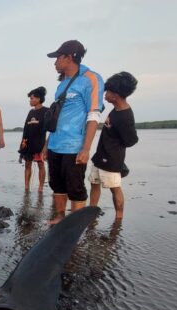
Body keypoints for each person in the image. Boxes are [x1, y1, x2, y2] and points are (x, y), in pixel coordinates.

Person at [45, 40, 104, 224]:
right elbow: (56, 117)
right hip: (55, 143)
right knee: (57, 184)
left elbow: (93, 115)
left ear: (69, 57)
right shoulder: (62, 84)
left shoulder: (91, 79)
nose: (55, 62)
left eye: (57, 58)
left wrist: (86, 149)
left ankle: (74, 225)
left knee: (75, 187)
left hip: (74, 146)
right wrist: (46, 144)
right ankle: (61, 217)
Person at [89, 72, 139, 220]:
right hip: (100, 156)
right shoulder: (115, 109)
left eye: (108, 92)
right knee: (94, 183)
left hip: (111, 160)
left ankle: (119, 218)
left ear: (115, 95)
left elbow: (131, 140)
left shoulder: (125, 116)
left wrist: (114, 148)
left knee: (115, 188)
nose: (105, 94)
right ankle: (91, 212)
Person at [19, 87, 49, 192]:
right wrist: (23, 143)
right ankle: (26, 187)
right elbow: (25, 129)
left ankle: (40, 188)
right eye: (30, 98)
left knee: (41, 165)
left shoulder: (46, 111)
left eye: (32, 98)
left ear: (38, 98)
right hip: (28, 143)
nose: (30, 100)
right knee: (27, 164)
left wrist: (46, 147)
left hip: (40, 144)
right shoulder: (30, 112)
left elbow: (50, 128)